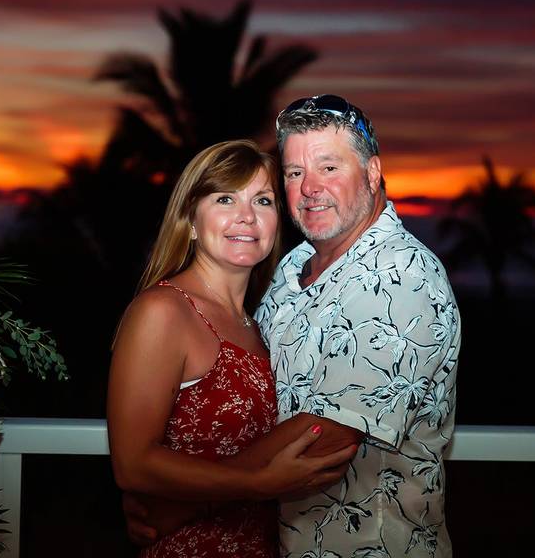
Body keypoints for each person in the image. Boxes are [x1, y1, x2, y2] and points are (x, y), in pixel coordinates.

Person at [127, 97, 462, 557]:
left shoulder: (402, 275)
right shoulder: (291, 269)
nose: (309, 188)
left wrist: (182, 505)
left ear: (372, 172)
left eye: (328, 167)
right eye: (294, 173)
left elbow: (332, 430)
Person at [107, 140, 359, 558]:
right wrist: (256, 485)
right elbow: (132, 464)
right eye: (225, 198)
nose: (246, 216)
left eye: (263, 200)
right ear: (189, 219)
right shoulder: (164, 311)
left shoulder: (261, 324)